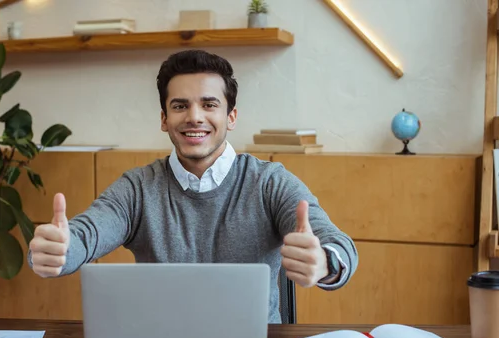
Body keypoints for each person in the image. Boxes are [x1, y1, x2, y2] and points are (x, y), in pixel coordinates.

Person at [28, 49, 358, 323]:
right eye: (180, 106)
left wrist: (326, 262)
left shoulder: (269, 182)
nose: (194, 117)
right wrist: (59, 250)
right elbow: (85, 234)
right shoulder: (138, 188)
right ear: (164, 119)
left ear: (231, 117)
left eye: (209, 104)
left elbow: (338, 244)